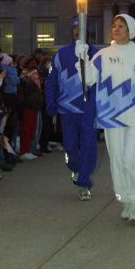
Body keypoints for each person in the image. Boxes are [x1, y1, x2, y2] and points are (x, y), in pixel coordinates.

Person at [76, 14, 135, 223]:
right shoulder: (102, 55)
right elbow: (88, 80)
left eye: (121, 26)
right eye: (114, 26)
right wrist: (81, 60)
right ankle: (125, 199)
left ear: (130, 30)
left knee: (130, 159)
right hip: (110, 114)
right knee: (117, 161)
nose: (116, 29)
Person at [45, 16, 99, 200]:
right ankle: (76, 168)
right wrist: (50, 102)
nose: (78, 31)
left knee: (89, 145)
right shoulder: (60, 55)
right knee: (70, 145)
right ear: (72, 30)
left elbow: (103, 82)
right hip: (67, 108)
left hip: (88, 108)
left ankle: (84, 182)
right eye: (75, 28)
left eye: (81, 28)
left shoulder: (96, 53)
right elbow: (51, 81)